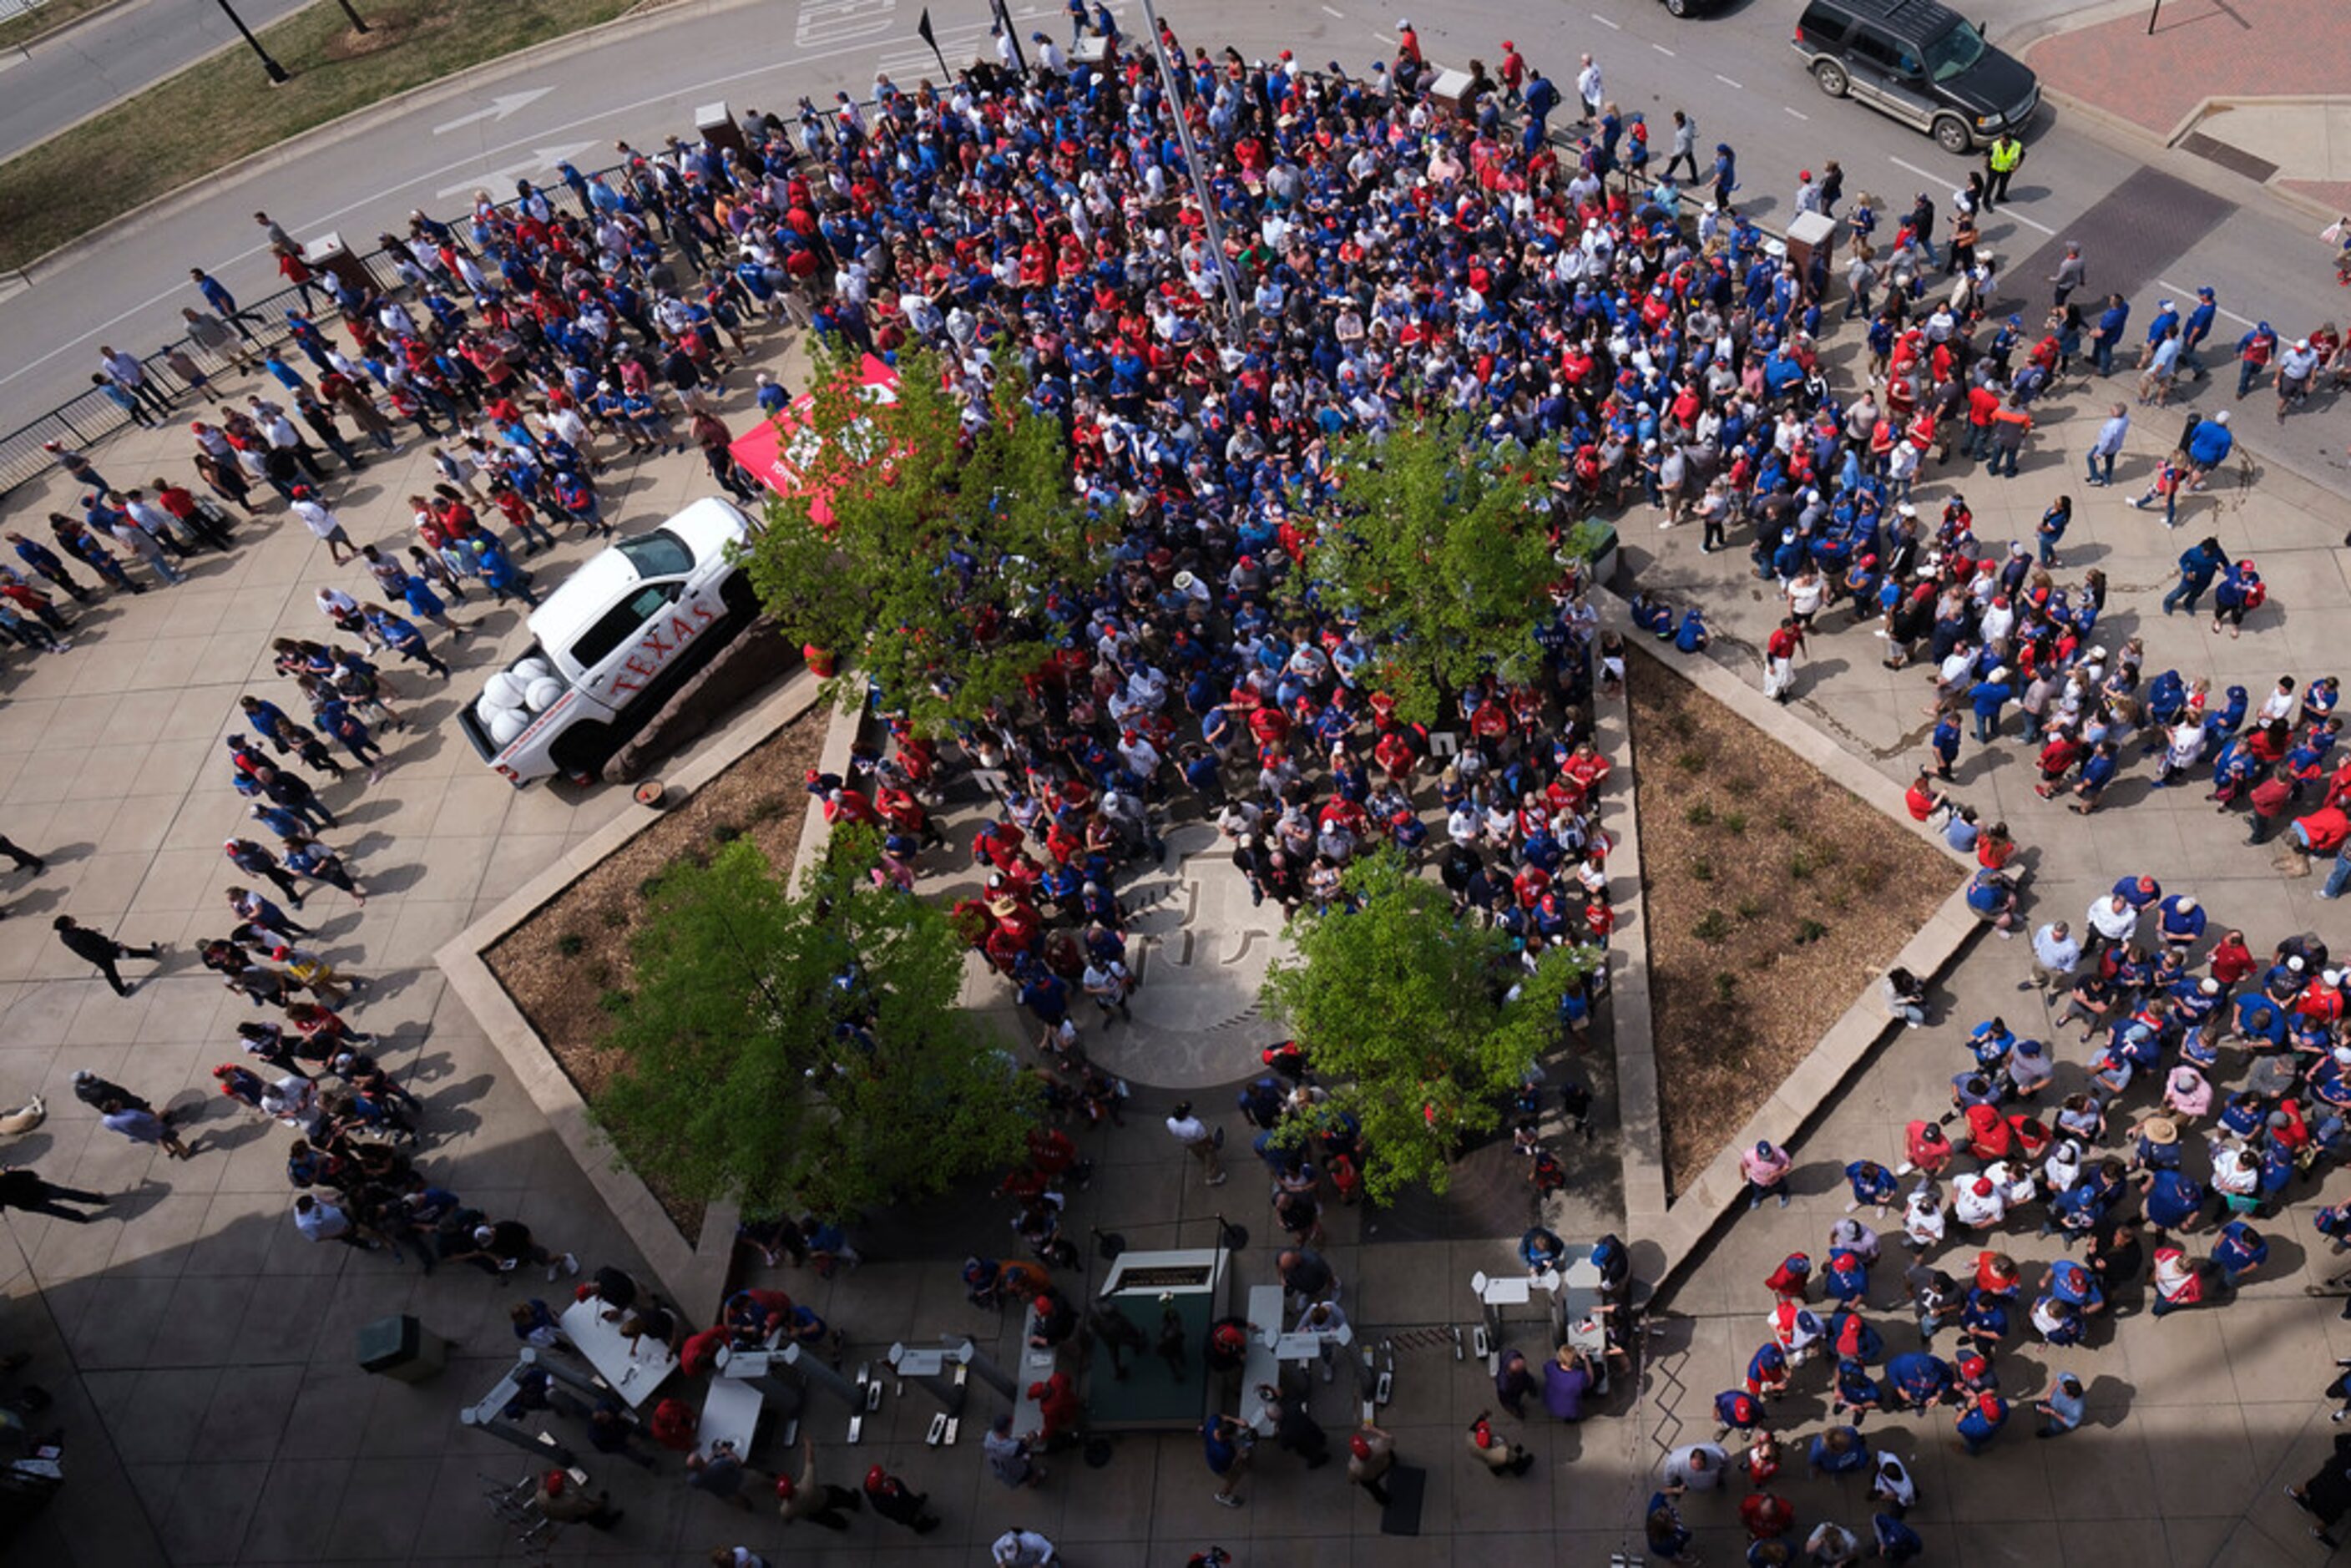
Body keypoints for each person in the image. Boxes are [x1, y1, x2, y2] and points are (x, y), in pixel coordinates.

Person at [52, 915, 165, 996]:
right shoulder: (79, 936)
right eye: (69, 919)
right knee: (129, 953)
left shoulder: (65, 936)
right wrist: (116, 946)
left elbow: (87, 942)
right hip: (105, 952)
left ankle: (122, 991)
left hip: (97, 957)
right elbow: (97, 943)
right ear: (68, 925)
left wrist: (92, 933)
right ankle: (152, 953)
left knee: (111, 972)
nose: (72, 918)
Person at [1165, 1100, 1226, 1186]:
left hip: (1187, 1143)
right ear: (1184, 1115)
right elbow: (1205, 1138)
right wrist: (1211, 1144)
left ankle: (1204, 1162)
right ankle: (1212, 1177)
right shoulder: (1195, 1126)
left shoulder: (1170, 1121)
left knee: (1199, 1154)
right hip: (1199, 1142)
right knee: (1211, 1157)